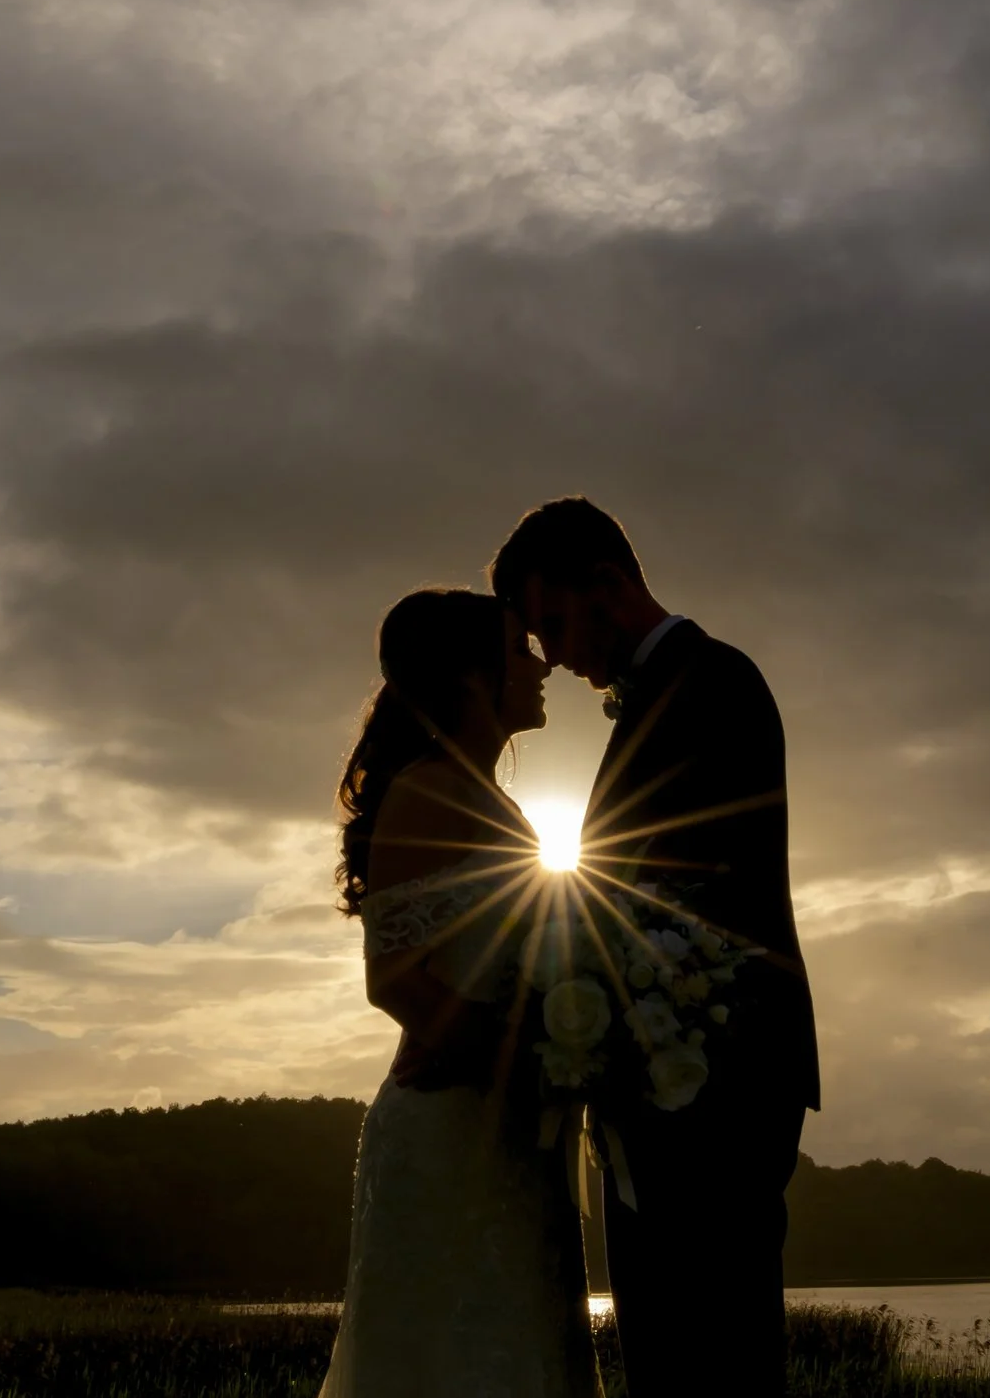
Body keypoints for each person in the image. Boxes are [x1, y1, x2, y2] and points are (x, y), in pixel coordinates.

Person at [490, 497, 821, 1397]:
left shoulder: (715, 682)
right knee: (669, 1354)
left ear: (607, 583)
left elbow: (701, 890)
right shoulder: (662, 696)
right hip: (662, 1085)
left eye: (551, 624)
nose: (550, 656)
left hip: (719, 1082)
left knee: (718, 1351)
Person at [319, 588, 599, 1398]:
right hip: (451, 1128)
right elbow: (395, 974)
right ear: (472, 677)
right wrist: (515, 1055)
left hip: (508, 1129)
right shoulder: (431, 787)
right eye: (520, 648)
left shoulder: (488, 796)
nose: (540, 662)